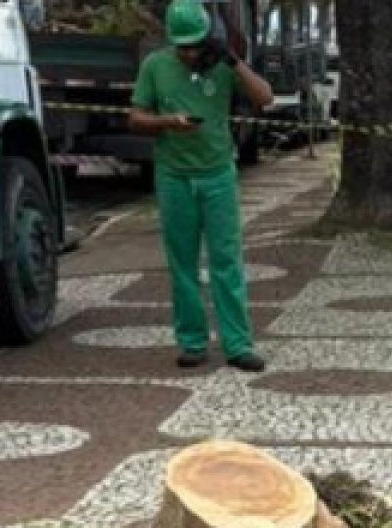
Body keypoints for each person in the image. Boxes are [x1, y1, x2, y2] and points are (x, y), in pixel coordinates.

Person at [128, 0, 275, 371]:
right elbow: (136, 117)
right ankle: (192, 341)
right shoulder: (155, 65)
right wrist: (167, 122)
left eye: (197, 45)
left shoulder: (222, 65)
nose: (191, 53)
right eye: (184, 47)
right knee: (182, 263)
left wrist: (234, 61)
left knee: (227, 261)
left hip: (218, 175)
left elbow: (265, 97)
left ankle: (237, 344)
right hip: (174, 177)